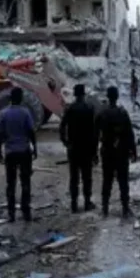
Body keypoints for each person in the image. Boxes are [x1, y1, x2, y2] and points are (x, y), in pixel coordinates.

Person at [0, 87, 38, 222]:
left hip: (10, 152)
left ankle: (11, 213)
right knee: (25, 182)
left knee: (11, 183)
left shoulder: (3, 113)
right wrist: (35, 148)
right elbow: (31, 132)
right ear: (20, 98)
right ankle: (26, 213)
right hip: (24, 151)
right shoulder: (25, 113)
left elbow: (0, 135)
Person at [96, 86, 137, 218]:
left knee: (107, 181)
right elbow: (130, 134)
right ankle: (125, 208)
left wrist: (93, 152)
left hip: (107, 150)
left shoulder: (102, 113)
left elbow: (95, 133)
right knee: (123, 181)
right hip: (121, 151)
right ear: (117, 96)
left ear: (107, 96)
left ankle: (105, 209)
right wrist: (133, 151)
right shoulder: (122, 112)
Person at [59, 84, 98, 213]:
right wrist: (95, 151)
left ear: (75, 94)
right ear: (84, 94)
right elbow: (94, 131)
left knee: (74, 177)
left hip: (73, 148)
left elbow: (62, 127)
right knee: (87, 177)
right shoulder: (89, 108)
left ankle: (74, 205)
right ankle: (87, 203)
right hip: (86, 148)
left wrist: (65, 142)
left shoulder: (70, 109)